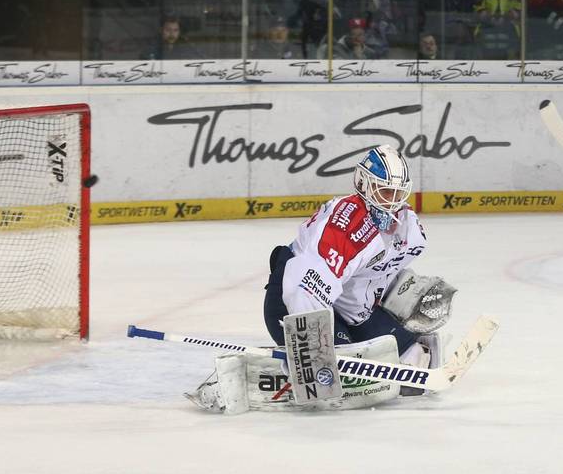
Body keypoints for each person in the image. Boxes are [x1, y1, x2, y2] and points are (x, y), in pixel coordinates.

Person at [188, 145, 453, 415]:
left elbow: (379, 273)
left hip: (347, 310)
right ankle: (273, 375)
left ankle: (345, 364)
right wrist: (311, 352)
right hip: (292, 303)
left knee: (415, 359)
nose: (392, 202)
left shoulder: (408, 227)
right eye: (385, 192)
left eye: (398, 194)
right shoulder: (346, 224)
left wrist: (407, 293)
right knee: (338, 369)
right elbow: (304, 284)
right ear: (363, 183)